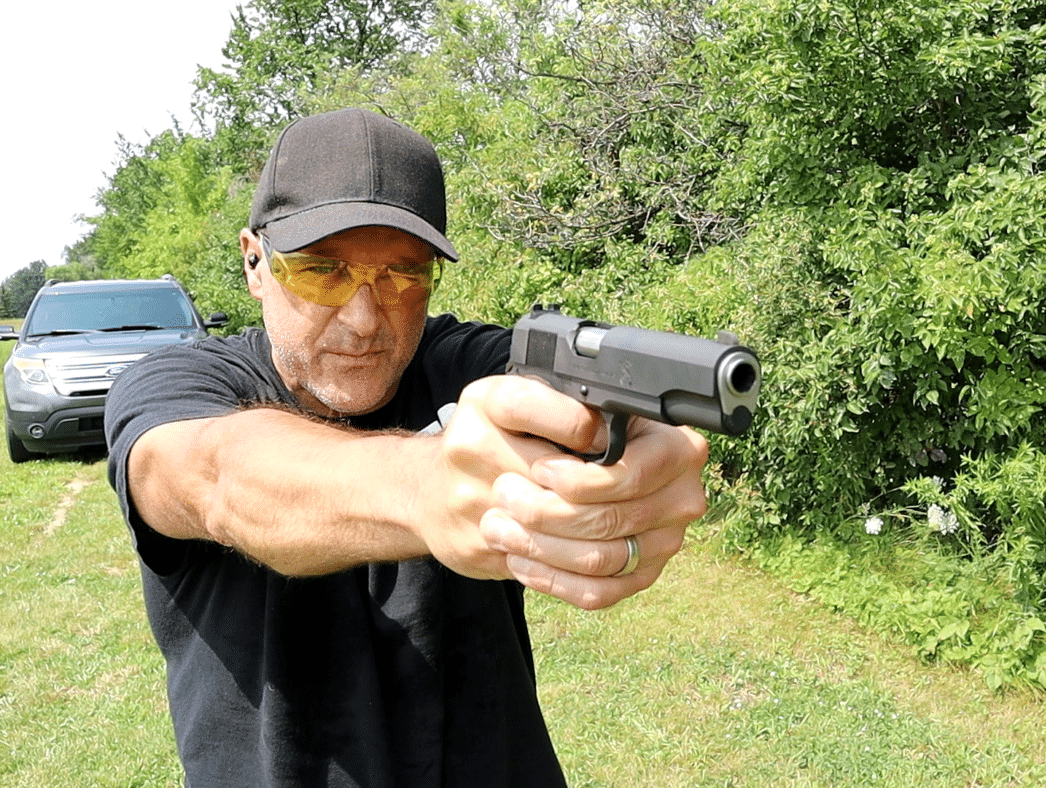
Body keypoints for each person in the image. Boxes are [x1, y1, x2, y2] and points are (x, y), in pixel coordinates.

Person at [104, 107, 709, 787]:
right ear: (254, 262)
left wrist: (633, 439)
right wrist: (426, 486)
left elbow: (571, 378)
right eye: (322, 271)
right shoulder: (178, 385)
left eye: (402, 274)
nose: (365, 319)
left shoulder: (459, 363)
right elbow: (219, 478)